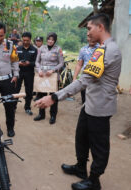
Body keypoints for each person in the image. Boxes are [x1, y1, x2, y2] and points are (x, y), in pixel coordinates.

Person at [35, 13, 122, 190]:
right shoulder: (102, 47)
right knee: (81, 137)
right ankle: (81, 168)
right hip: (90, 104)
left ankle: (94, 180)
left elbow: (84, 80)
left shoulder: (108, 50)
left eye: (89, 28)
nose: (87, 33)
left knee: (99, 146)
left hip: (100, 107)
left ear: (101, 27)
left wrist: (54, 97)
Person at [34, 32, 64, 124]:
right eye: (49, 39)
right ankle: (41, 114)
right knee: (41, 95)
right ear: (46, 40)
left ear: (55, 41)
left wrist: (53, 70)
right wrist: (39, 69)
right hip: (42, 74)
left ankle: (53, 116)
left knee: (53, 96)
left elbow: (61, 63)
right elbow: (37, 61)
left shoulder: (58, 49)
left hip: (53, 76)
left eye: (52, 40)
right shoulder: (41, 48)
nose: (50, 41)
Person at [15, 32, 37, 115]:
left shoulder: (34, 50)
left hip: (29, 73)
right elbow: (13, 61)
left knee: (29, 91)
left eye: (27, 40)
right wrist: (19, 63)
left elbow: (36, 62)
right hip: (19, 72)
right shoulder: (18, 49)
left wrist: (29, 63)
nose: (25, 42)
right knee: (16, 89)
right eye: (24, 40)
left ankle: (27, 107)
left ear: (30, 40)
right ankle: (14, 107)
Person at [73, 37, 99, 104]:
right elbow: (79, 65)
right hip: (85, 77)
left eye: (93, 37)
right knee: (84, 99)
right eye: (89, 37)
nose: (91, 39)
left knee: (95, 100)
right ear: (87, 38)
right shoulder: (83, 50)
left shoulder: (101, 49)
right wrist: (74, 78)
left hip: (97, 78)